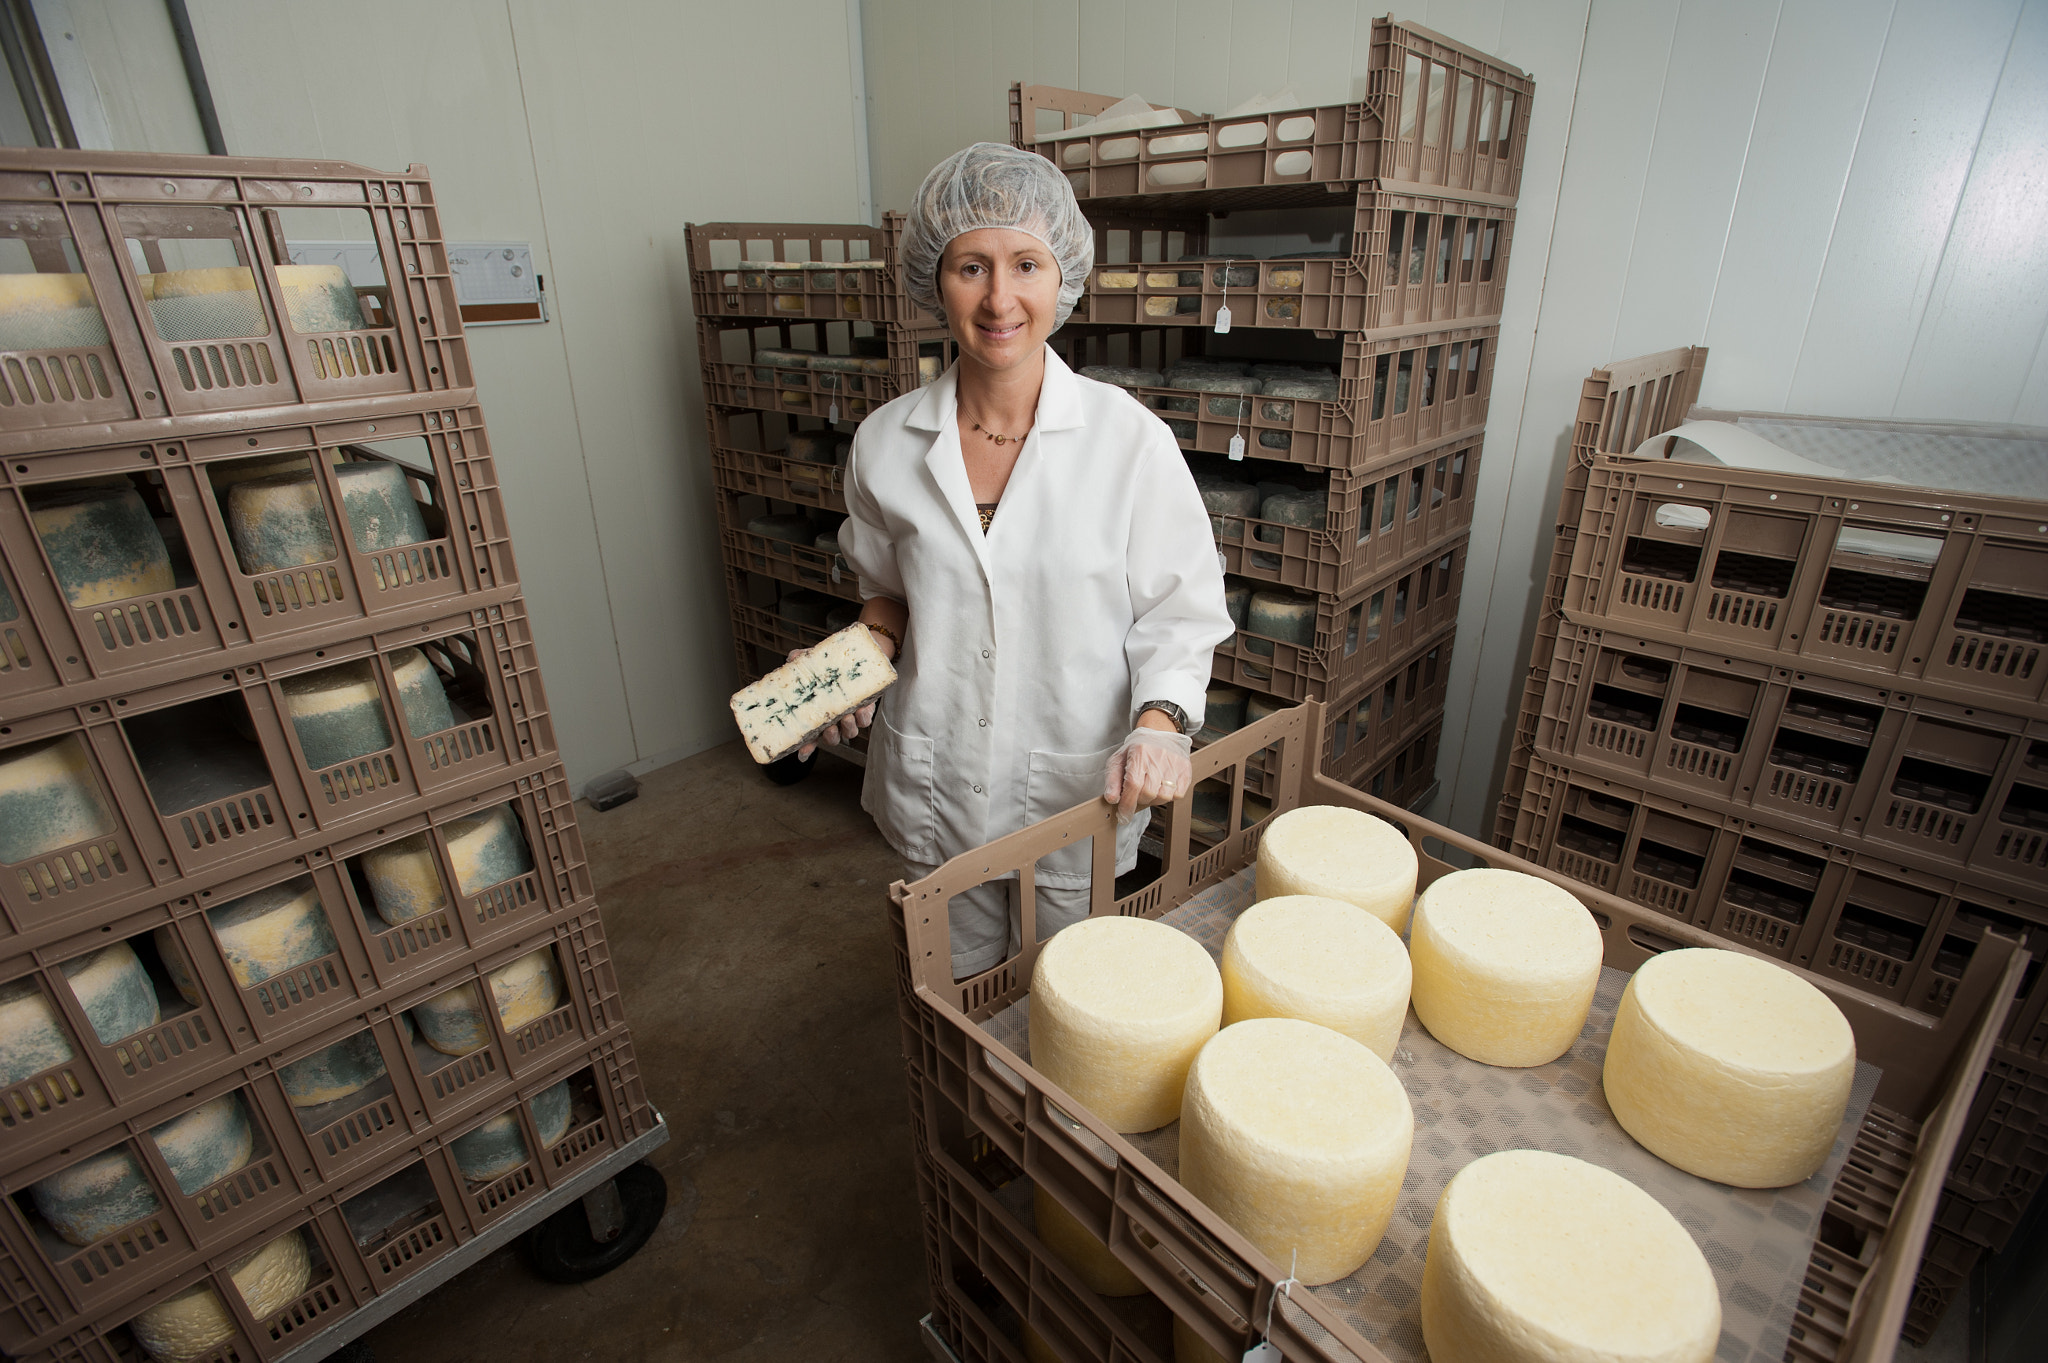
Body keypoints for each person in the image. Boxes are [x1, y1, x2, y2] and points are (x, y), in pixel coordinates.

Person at [798, 141, 1233, 980]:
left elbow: (1179, 613)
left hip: (1078, 784)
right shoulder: (886, 442)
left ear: (1060, 277)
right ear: (936, 280)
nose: (1000, 298)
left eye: (1025, 263)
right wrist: (847, 666)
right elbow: (889, 596)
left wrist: (1160, 726)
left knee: (1068, 1001)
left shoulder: (1128, 441)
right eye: (971, 266)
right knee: (957, 993)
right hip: (939, 773)